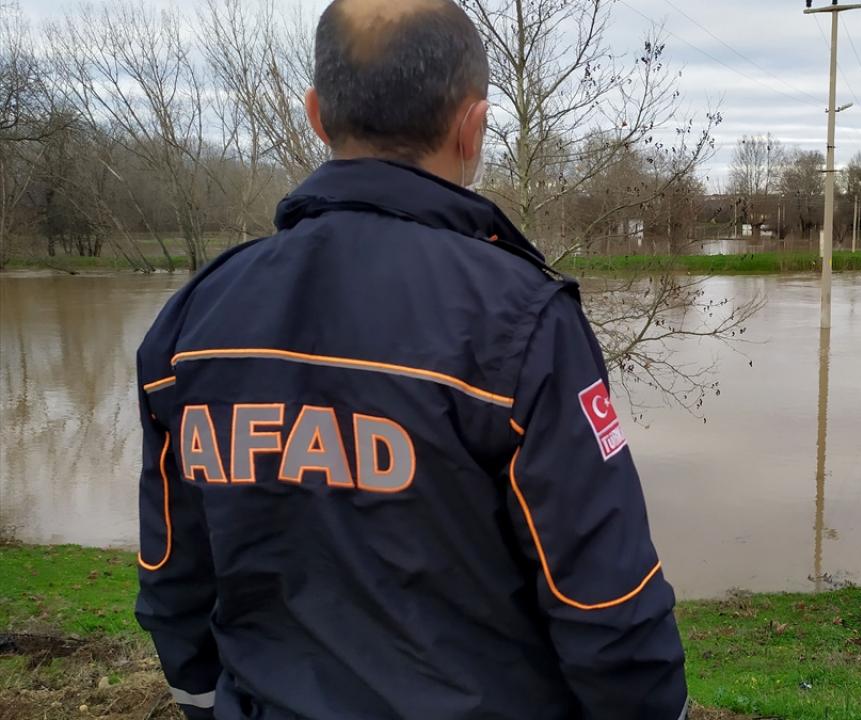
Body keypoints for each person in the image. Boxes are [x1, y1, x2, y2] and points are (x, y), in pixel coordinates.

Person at [132, 1, 687, 717]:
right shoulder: (523, 321)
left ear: (316, 115)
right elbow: (607, 603)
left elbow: (174, 577)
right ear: (473, 126)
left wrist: (206, 703)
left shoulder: (192, 320)